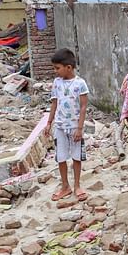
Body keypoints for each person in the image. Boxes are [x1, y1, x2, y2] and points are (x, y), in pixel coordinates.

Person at [45, 48, 90, 202]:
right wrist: (49, 123)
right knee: (61, 157)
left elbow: (83, 106)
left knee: (77, 157)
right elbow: (54, 103)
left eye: (57, 68)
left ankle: (77, 185)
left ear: (68, 67)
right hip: (60, 126)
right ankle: (65, 186)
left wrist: (80, 128)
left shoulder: (80, 84)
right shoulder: (56, 83)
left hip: (74, 126)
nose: (55, 71)